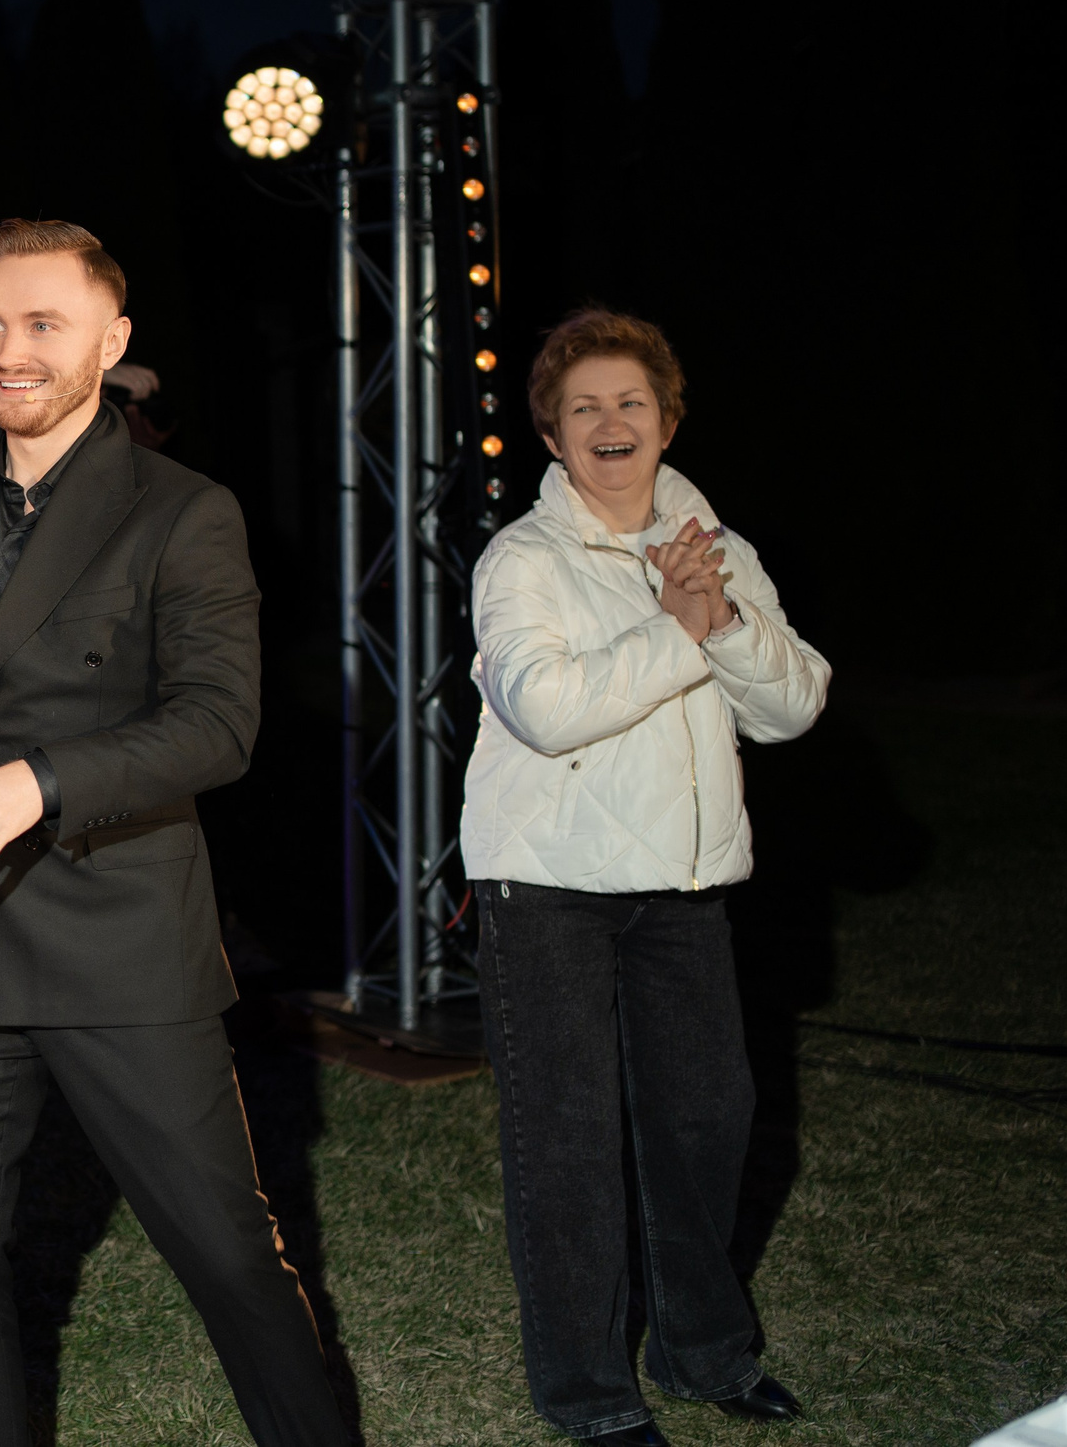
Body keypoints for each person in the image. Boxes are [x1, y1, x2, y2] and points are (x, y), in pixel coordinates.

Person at [0, 219, 348, 1447]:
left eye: (43, 325)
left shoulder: (182, 510)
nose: (11, 350)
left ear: (109, 343)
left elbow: (219, 725)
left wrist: (40, 782)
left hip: (120, 949)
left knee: (227, 1258)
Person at [462, 308, 830, 1446]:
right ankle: (588, 1395)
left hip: (684, 888)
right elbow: (548, 707)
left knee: (708, 1122)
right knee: (568, 1148)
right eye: (583, 409)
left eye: (630, 403)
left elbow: (793, 704)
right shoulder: (522, 558)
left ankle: (701, 1352)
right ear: (553, 437)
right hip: (548, 889)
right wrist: (679, 631)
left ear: (667, 421)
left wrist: (716, 618)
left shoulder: (715, 546)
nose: (608, 422)